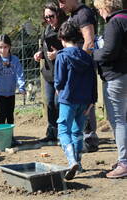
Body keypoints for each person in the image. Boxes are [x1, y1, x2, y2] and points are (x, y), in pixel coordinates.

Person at [55, 21, 97, 180]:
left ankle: (71, 160)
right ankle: (78, 163)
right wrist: (92, 101)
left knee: (63, 130)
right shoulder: (87, 56)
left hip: (68, 99)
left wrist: (59, 90)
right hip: (85, 101)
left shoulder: (62, 56)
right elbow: (93, 79)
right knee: (77, 132)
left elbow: (59, 80)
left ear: (62, 38)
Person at [58, 0, 99, 153]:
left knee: (85, 105)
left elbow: (89, 42)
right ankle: (80, 141)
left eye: (62, 1)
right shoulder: (74, 15)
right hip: (77, 66)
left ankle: (89, 140)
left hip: (82, 67)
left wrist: (79, 63)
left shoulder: (84, 14)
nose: (60, 5)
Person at [93, 0, 127, 179]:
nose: (99, 13)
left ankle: (124, 162)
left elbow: (109, 52)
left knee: (119, 121)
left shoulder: (114, 22)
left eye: (98, 9)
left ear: (105, 6)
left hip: (117, 77)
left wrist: (92, 53)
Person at [33, 2, 68, 143]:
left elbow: (72, 48)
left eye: (51, 16)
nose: (48, 19)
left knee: (58, 102)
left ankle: (62, 133)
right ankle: (51, 132)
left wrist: (58, 54)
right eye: (46, 17)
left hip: (61, 73)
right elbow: (43, 45)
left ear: (58, 14)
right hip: (48, 72)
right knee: (49, 103)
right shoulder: (46, 29)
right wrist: (40, 53)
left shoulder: (65, 28)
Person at [0, 34, 26, 147]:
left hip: (11, 92)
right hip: (0, 93)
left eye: (5, 47)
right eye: (0, 47)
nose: (3, 50)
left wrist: (21, 86)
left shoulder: (15, 60)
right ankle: (0, 139)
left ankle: (10, 138)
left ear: (10, 47)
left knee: (10, 116)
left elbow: (19, 74)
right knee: (2, 115)